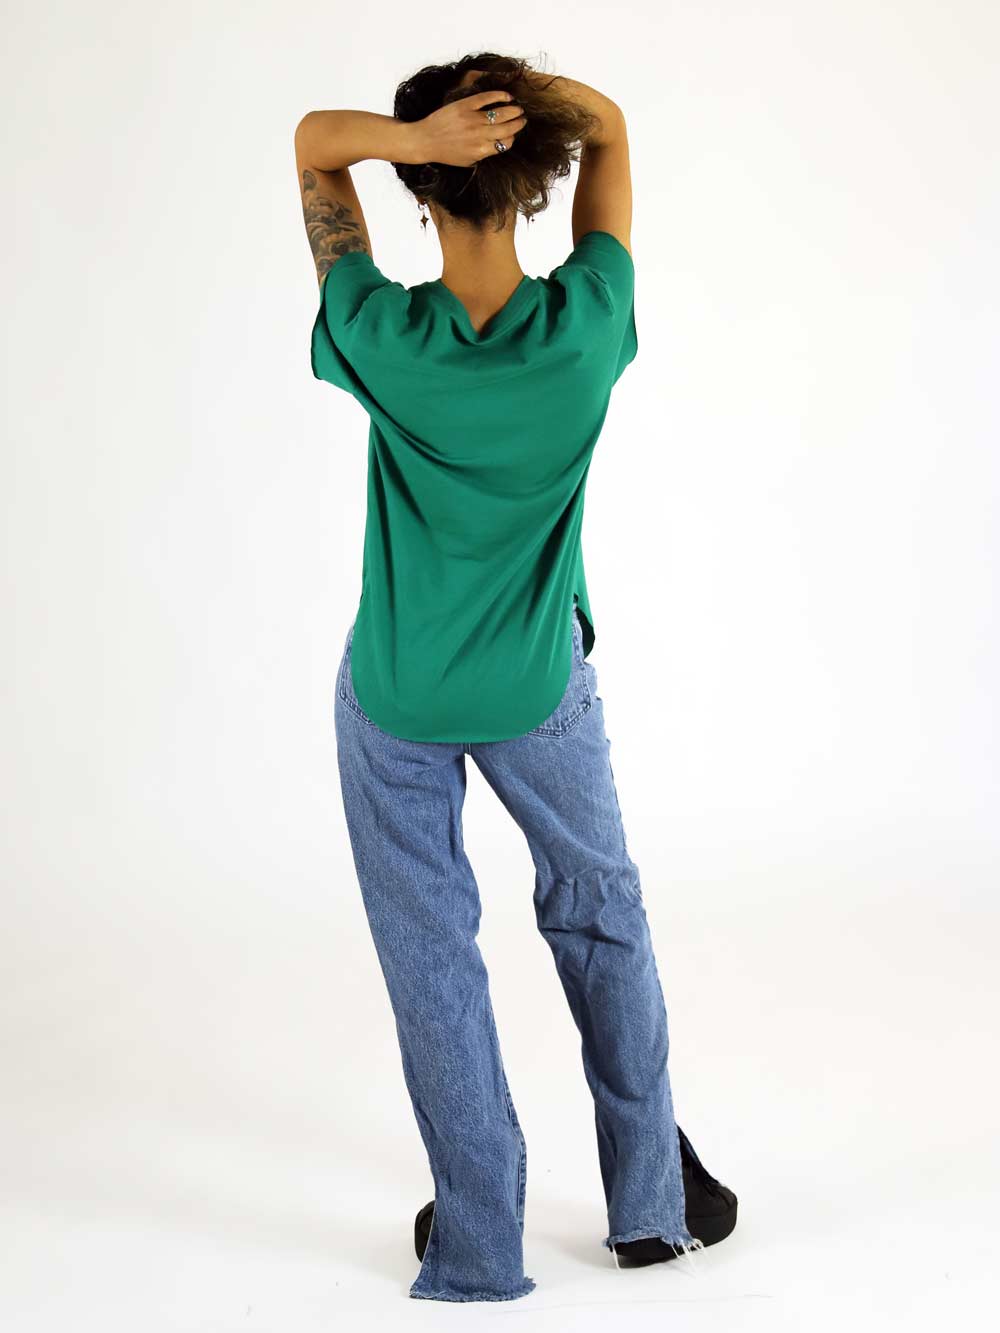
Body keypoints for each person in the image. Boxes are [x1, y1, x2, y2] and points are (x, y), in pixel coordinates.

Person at [294, 52, 737, 1304]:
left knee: (430, 954)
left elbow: (314, 146)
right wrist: (535, 115)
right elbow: (614, 134)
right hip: (538, 687)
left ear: (420, 190)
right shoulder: (585, 331)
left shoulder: (379, 336)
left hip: (398, 694)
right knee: (601, 917)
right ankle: (649, 1207)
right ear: (535, 178)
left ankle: (481, 1241)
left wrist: (410, 139)